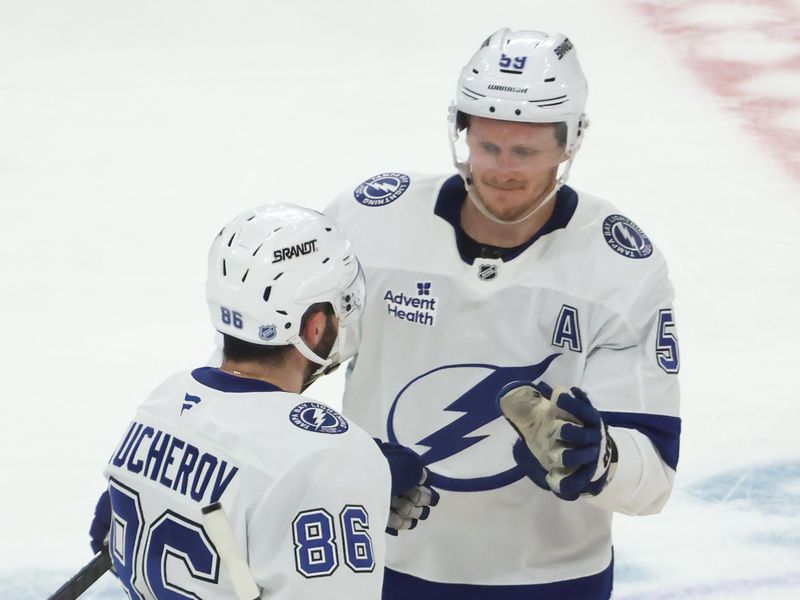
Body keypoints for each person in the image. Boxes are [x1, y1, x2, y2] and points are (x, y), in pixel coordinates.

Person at [325, 28, 681, 599]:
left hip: (546, 581)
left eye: (526, 152)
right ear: (462, 133)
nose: (502, 170)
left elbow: (653, 478)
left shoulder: (618, 268)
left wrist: (599, 458)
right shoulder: (370, 224)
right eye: (488, 147)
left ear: (569, 144)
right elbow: (275, 374)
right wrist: (341, 468)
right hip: (375, 567)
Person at [87, 203, 431, 599]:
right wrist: (350, 477)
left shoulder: (164, 403)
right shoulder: (329, 461)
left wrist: (360, 474)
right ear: (315, 325)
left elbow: (109, 532)